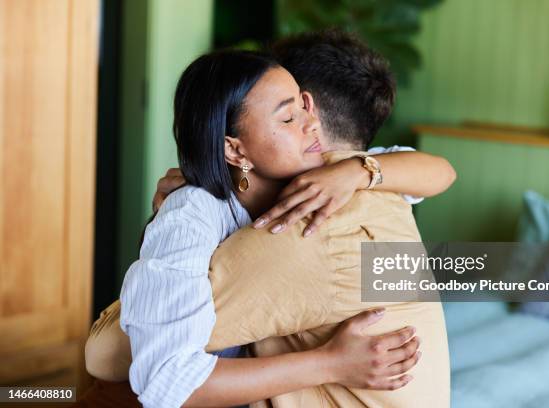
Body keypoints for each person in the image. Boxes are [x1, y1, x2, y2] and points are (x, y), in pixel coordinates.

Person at [86, 32, 455, 408]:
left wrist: (359, 171)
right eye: (288, 114)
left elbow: (442, 172)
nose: (308, 123)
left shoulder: (339, 186)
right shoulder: (199, 215)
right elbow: (153, 374)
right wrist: (329, 363)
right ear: (234, 147)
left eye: (302, 107)